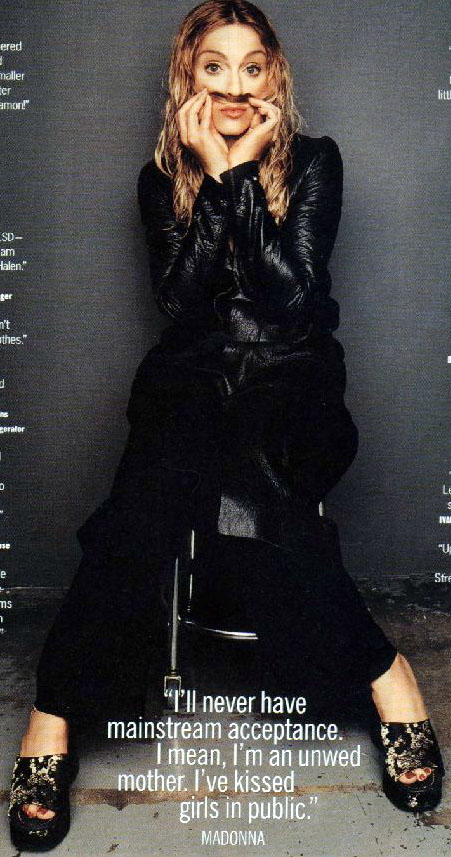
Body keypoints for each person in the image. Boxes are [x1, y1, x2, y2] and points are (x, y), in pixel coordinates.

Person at [9, 1, 444, 850]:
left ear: (272, 76)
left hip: (293, 384)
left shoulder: (315, 162)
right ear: (190, 77)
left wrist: (239, 174)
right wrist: (211, 177)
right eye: (215, 67)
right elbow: (179, 304)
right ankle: (53, 719)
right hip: (194, 384)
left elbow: (292, 296)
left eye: (251, 66)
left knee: (236, 489)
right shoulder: (158, 181)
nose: (235, 86)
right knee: (146, 510)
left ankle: (386, 677)